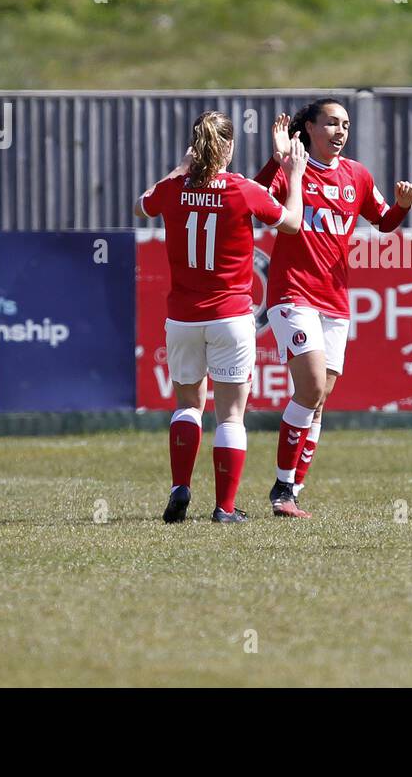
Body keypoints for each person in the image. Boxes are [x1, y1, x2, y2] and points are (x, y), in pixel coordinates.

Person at [136, 111, 307, 524]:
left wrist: (181, 168)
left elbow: (142, 205)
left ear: (195, 147)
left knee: (187, 406)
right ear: (228, 147)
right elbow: (293, 223)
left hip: (182, 317)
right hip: (230, 316)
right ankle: (225, 508)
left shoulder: (175, 188)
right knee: (230, 415)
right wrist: (294, 175)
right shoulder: (242, 190)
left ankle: (180, 486)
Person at [252, 99, 412, 517]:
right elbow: (256, 202)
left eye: (345, 124)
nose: (340, 131)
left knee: (320, 396)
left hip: (334, 298)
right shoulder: (293, 168)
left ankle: (295, 484)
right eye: (330, 123)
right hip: (292, 293)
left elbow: (382, 220)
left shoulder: (357, 175)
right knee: (309, 387)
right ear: (308, 127)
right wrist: (278, 160)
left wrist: (401, 206)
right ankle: (282, 488)